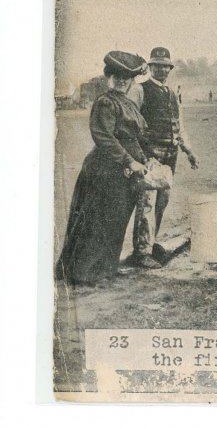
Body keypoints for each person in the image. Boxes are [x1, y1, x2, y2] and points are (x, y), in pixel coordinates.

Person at [56, 51, 150, 285]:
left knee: (116, 220)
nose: (121, 81)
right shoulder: (105, 102)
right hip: (104, 170)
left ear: (131, 81)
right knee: (98, 220)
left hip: (123, 171)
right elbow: (105, 138)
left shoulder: (127, 102)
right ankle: (85, 273)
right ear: (109, 76)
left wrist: (144, 159)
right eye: (117, 76)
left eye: (126, 78)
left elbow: (133, 136)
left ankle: (106, 269)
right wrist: (129, 161)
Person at [132, 47, 199, 268]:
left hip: (170, 157)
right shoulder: (139, 90)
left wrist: (189, 151)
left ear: (169, 69)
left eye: (165, 66)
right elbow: (130, 123)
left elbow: (179, 127)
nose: (161, 69)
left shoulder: (171, 94)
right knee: (147, 202)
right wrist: (139, 155)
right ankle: (141, 251)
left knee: (162, 201)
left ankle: (151, 244)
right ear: (150, 67)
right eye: (157, 65)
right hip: (150, 157)